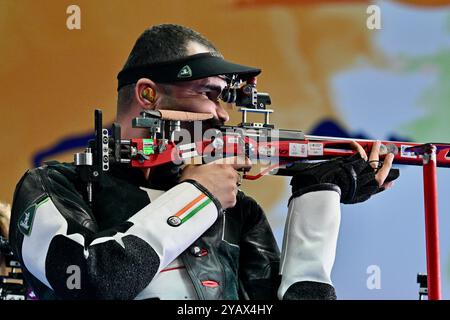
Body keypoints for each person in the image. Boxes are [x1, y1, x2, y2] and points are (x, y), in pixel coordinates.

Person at [9, 24, 398, 300]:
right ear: (148, 95)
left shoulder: (238, 211)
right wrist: (197, 196)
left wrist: (319, 195)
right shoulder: (55, 185)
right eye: (208, 94)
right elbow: (93, 280)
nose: (223, 115)